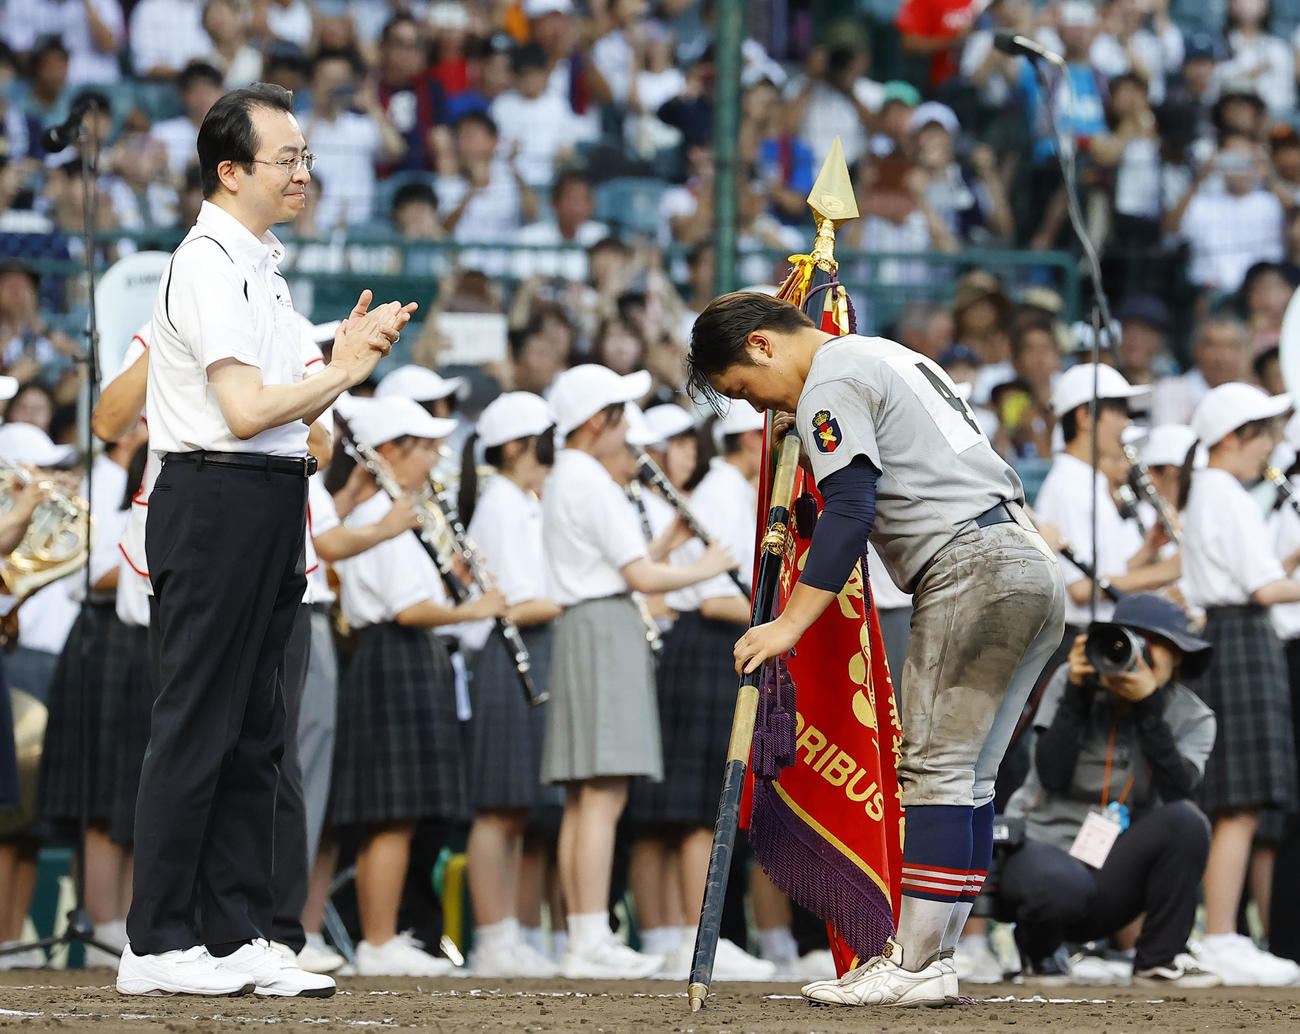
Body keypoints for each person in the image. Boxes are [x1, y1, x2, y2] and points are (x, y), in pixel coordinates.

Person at [117, 82, 416, 999]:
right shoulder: (208, 261)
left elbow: (291, 402)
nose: (303, 173)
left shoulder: (264, 266)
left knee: (255, 732)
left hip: (265, 499)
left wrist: (338, 357)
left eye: (306, 157)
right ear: (231, 170)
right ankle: (157, 940)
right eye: (287, 159)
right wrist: (343, 371)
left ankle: (234, 932)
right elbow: (246, 411)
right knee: (198, 724)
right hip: (214, 496)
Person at [686, 292, 1065, 1008]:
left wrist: (788, 625)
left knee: (937, 769)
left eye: (745, 390)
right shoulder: (890, 354)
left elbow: (852, 510)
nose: (763, 411)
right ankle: (937, 957)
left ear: (762, 346)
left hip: (969, 565)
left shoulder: (830, 378)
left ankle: (915, 961)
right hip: (1027, 560)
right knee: (971, 777)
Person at [540, 364, 734, 980]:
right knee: (603, 793)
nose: (630, 436)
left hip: (586, 625)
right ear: (597, 422)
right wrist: (708, 564)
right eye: (621, 419)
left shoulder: (570, 476)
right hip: (604, 628)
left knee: (587, 796)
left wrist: (667, 548)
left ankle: (585, 936)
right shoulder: (590, 479)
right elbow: (640, 580)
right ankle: (589, 940)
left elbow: (625, 564)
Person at [329, 396, 504, 977]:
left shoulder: (398, 511)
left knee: (402, 813)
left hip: (405, 659)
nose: (434, 458)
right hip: (392, 656)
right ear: (388, 452)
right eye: (424, 446)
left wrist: (455, 578)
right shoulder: (381, 513)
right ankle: (378, 941)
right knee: (392, 812)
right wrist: (476, 607)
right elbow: (407, 610)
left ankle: (384, 937)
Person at [1000, 594, 1221, 989]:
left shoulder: (1194, 716)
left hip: (1113, 871)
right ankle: (1039, 950)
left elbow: (1177, 793)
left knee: (1187, 822)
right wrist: (1078, 696)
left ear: (1180, 657)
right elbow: (1052, 776)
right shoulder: (1073, 681)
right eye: (1128, 640)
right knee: (1060, 884)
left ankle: (1158, 960)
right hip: (1041, 848)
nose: (1136, 655)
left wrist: (1149, 708)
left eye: (1154, 645)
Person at [641, 399, 776, 983]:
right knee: (700, 803)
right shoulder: (723, 490)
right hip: (711, 643)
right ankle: (703, 941)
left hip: (709, 643)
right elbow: (719, 596)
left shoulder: (724, 488)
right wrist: (783, 620)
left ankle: (685, 937)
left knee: (690, 806)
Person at [1180, 383, 1300, 986]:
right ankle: (1223, 935)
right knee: (1239, 800)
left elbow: (1264, 577)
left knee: (1239, 799)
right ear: (1232, 437)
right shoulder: (1225, 492)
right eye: (1263, 434)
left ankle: (1226, 933)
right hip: (1240, 635)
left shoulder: (1216, 490)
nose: (1270, 447)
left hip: (1231, 634)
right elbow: (1264, 588)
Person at [35, 412, 148, 968]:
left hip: (145, 646)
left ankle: (126, 927)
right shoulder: (106, 492)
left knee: (133, 793)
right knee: (103, 794)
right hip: (105, 640)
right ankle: (102, 923)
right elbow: (90, 570)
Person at [457, 392, 563, 978]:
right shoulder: (502, 502)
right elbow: (517, 605)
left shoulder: (517, 498)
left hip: (525, 653)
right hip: (506, 656)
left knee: (518, 807)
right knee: (498, 806)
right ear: (521, 444)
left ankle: (512, 935)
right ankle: (493, 937)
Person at [1032, 364, 1179, 665]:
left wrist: (1149, 550)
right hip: (1081, 643)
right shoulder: (1068, 485)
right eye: (1119, 413)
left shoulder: (1088, 481)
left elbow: (1103, 570)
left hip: (1100, 635)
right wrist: (1168, 571)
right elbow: (1083, 589)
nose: (1126, 425)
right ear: (1086, 417)